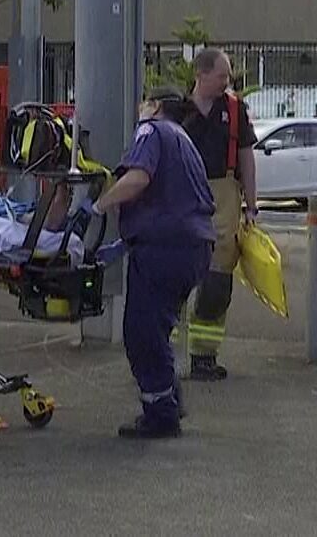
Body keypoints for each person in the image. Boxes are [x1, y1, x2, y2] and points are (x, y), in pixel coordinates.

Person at [84, 84, 215, 438]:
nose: (140, 109)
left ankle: (161, 415)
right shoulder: (182, 139)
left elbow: (139, 178)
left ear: (155, 106)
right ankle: (169, 399)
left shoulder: (151, 130)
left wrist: (99, 206)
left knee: (141, 333)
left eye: (144, 103)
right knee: (157, 328)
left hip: (164, 248)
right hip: (193, 246)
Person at [180, 48, 258, 381]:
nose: (227, 82)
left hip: (224, 193)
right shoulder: (176, 111)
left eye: (228, 76)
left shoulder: (235, 109)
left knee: (218, 280)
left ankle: (204, 356)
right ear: (201, 75)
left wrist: (252, 205)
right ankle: (161, 355)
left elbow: (246, 158)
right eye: (222, 76)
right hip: (183, 193)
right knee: (174, 275)